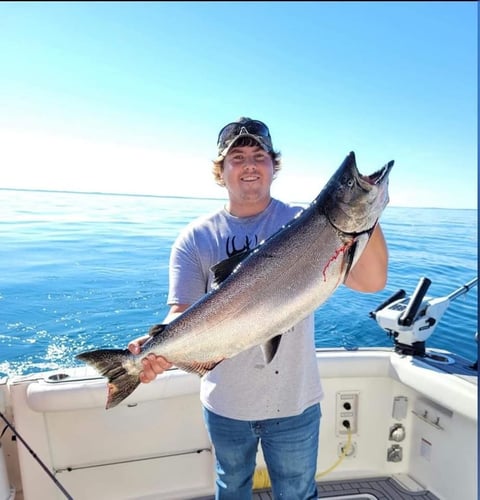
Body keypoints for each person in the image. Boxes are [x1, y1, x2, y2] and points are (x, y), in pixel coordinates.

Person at [128, 117, 388, 499]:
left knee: (297, 493)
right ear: (221, 170)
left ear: (272, 165)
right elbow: (181, 312)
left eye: (258, 155)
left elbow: (371, 282)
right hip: (225, 403)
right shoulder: (195, 238)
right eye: (237, 157)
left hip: (295, 402)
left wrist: (370, 211)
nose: (249, 164)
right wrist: (156, 348)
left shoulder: (306, 222)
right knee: (230, 489)